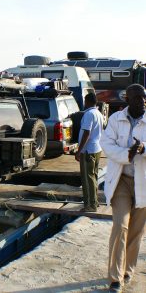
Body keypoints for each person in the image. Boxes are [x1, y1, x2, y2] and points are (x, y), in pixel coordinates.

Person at [100, 83, 146, 293]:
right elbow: (106, 144)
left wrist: (143, 148)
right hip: (122, 181)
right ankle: (115, 278)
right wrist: (126, 154)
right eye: (137, 98)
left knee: (136, 231)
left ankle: (128, 270)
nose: (142, 102)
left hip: (143, 182)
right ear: (127, 100)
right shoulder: (115, 119)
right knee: (120, 226)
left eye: (144, 98)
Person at [75, 92, 103, 212]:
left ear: (87, 101)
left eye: (85, 101)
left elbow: (87, 133)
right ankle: (95, 202)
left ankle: (90, 205)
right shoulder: (98, 113)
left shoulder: (89, 114)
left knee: (87, 178)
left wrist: (79, 150)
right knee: (94, 176)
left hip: (88, 150)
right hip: (97, 149)